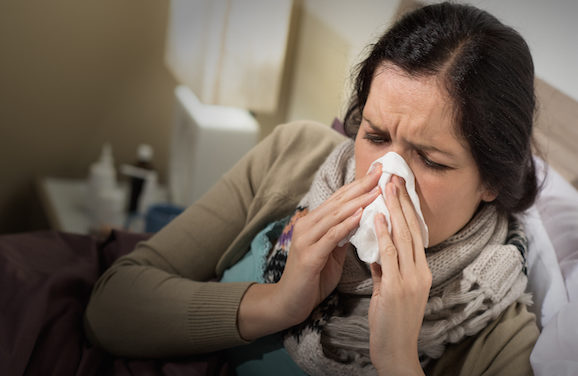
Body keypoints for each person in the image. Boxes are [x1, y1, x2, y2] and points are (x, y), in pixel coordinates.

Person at [84, 2, 540, 375]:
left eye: (431, 160)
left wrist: (398, 359)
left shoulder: (498, 333)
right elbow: (110, 307)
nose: (385, 176)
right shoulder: (294, 152)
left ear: (492, 181)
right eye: (375, 136)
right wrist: (278, 304)